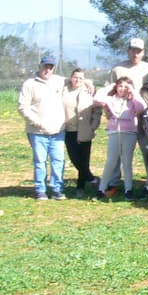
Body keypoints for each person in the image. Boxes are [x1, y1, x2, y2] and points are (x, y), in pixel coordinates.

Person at [18, 54, 67, 200]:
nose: (48, 70)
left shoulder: (59, 81)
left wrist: (88, 83)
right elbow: (22, 107)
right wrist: (37, 122)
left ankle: (57, 189)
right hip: (37, 132)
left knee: (58, 161)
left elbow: (77, 79)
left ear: (54, 68)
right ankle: (40, 190)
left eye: (51, 67)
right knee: (40, 162)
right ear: (40, 66)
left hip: (58, 131)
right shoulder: (29, 84)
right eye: (45, 66)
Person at [94, 77, 147, 200]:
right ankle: (102, 188)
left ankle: (129, 189)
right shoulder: (111, 99)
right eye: (120, 86)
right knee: (111, 161)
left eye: (125, 86)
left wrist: (133, 91)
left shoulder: (132, 100)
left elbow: (142, 107)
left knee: (127, 162)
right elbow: (96, 98)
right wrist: (110, 86)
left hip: (129, 132)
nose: (122, 89)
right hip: (114, 132)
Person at [62, 68, 102, 198]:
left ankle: (80, 187)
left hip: (84, 130)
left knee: (84, 160)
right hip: (69, 130)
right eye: (75, 77)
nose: (77, 80)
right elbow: (59, 79)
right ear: (71, 78)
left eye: (81, 78)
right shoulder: (64, 89)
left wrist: (92, 127)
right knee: (74, 159)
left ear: (84, 79)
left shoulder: (90, 91)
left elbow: (97, 111)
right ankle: (93, 180)